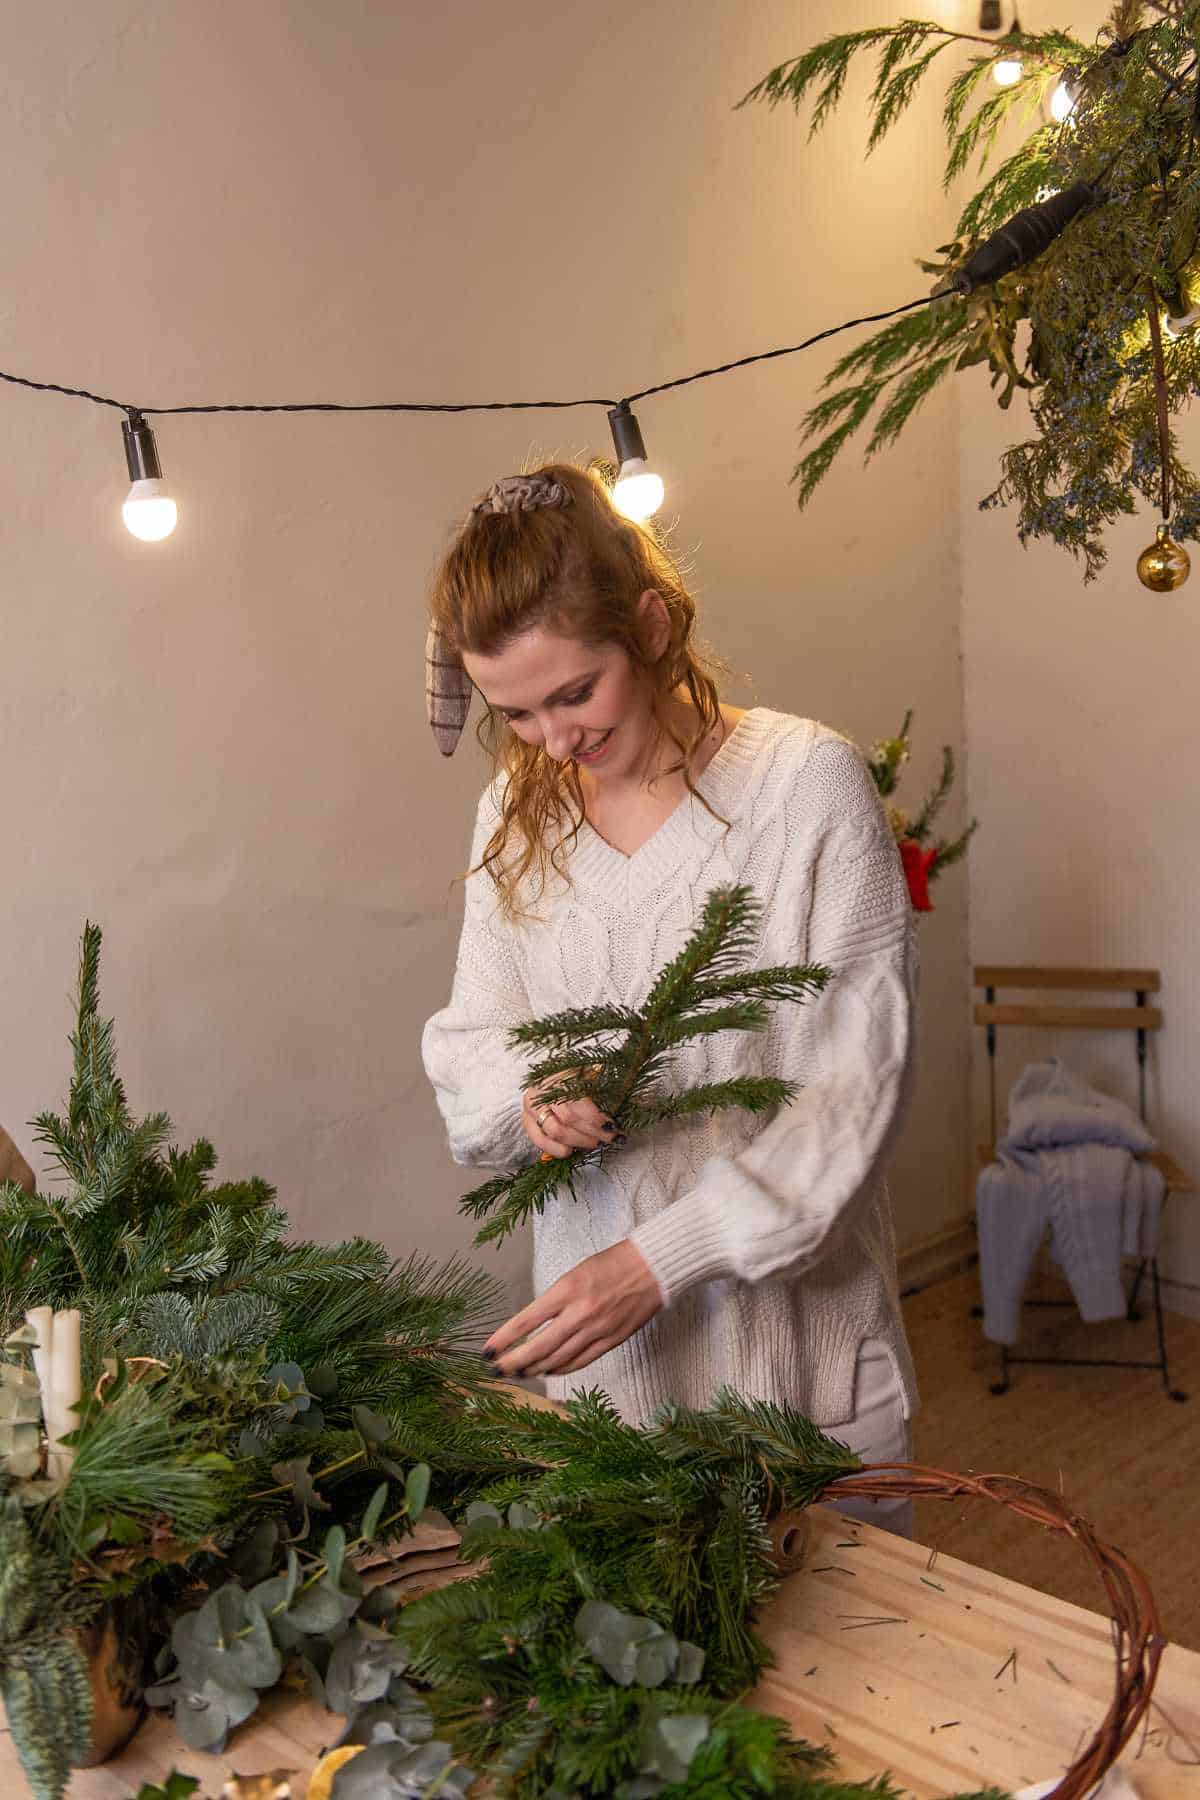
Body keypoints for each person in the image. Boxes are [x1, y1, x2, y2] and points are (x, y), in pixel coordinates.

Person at [421, 463, 919, 1535]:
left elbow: (850, 1095)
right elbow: (473, 1040)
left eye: (574, 692)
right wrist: (530, 1094)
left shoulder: (806, 785)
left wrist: (658, 1264)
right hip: (615, 1390)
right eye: (515, 712)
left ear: (649, 625)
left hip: (806, 1377)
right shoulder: (521, 810)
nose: (555, 740)